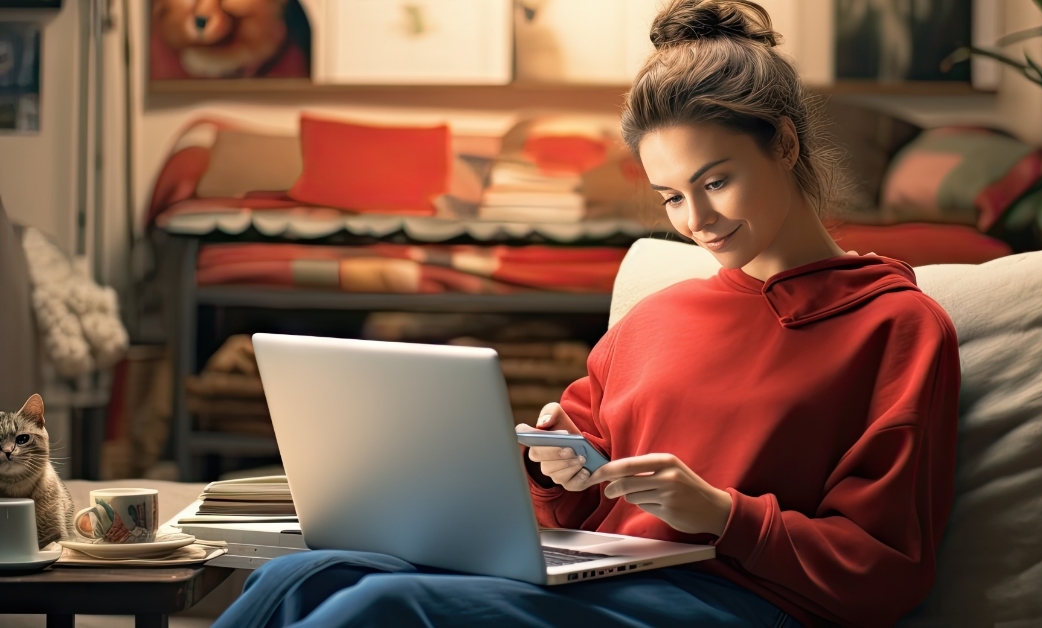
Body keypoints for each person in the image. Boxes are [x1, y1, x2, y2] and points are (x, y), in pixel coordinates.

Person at [212, 1, 959, 627]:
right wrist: (560, 468)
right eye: (672, 196)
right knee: (299, 575)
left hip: (736, 600)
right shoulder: (657, 317)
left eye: (715, 182)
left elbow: (888, 570)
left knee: (379, 606)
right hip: (601, 578)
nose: (696, 220)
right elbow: (572, 503)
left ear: (785, 144)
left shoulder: (895, 327)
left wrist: (723, 514)